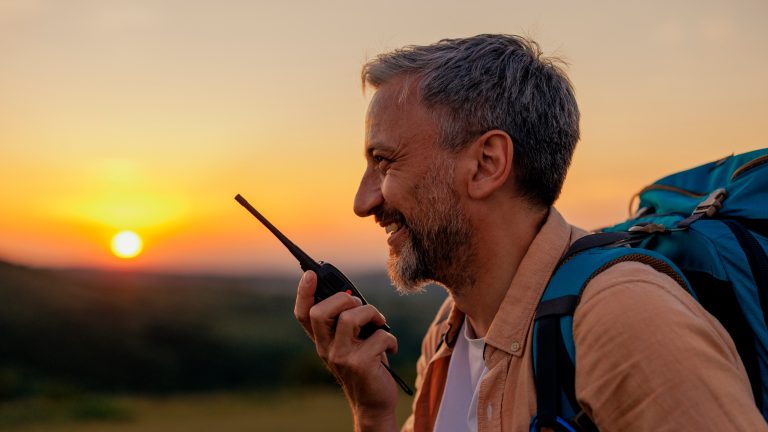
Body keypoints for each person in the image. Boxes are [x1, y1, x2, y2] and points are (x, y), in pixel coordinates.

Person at [293, 34, 766, 431]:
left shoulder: (626, 319)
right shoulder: (449, 331)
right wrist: (373, 415)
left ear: (487, 164)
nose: (363, 202)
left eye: (385, 162)